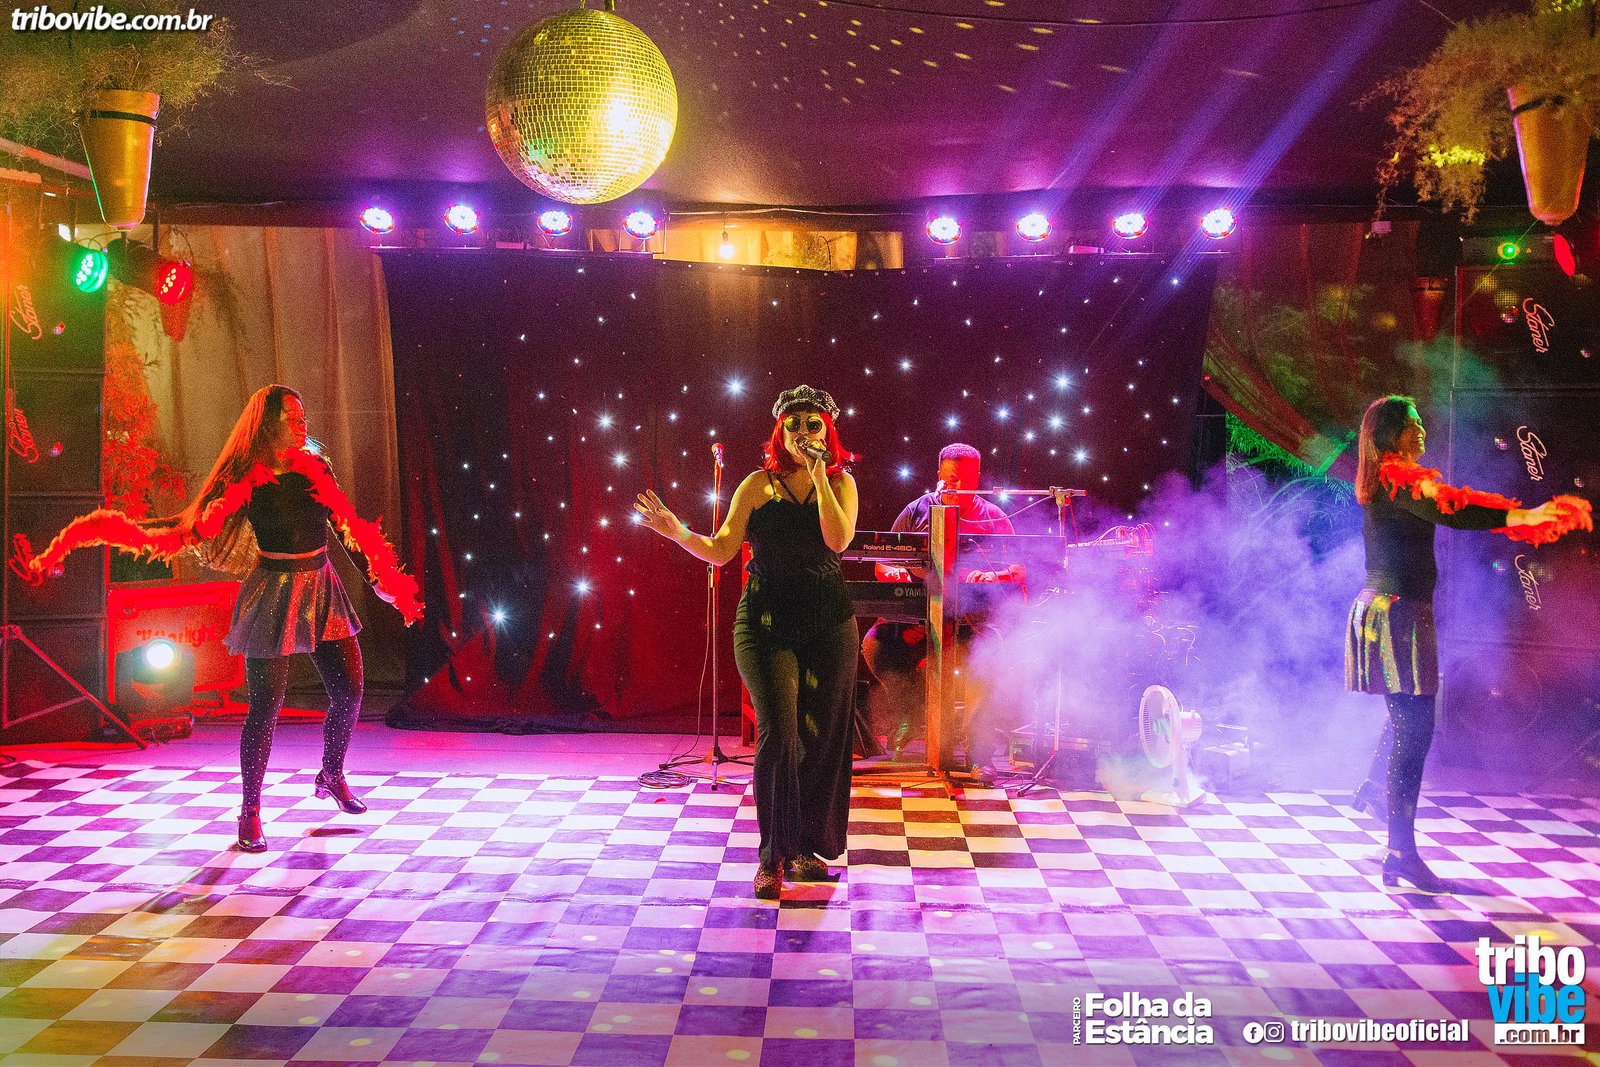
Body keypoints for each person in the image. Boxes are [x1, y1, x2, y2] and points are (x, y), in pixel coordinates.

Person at [15, 385, 423, 853]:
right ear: (268, 425)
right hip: (273, 593)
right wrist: (80, 537)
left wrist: (378, 579)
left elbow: (345, 527)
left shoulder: (317, 469)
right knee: (265, 707)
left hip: (322, 588)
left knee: (350, 689)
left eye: (303, 417)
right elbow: (182, 529)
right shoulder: (243, 479)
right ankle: (250, 811)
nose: (302, 425)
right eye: (292, 418)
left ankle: (331, 774)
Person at [1345, 396, 1589, 894]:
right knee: (1415, 726)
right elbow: (1452, 508)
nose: (1422, 430)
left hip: (1393, 609)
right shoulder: (1397, 478)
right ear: (1391, 434)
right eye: (1413, 424)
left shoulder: (1391, 478)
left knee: (1409, 719)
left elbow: (1451, 501)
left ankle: (1375, 794)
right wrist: (1525, 516)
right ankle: (1400, 852)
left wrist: (1521, 516)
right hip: (1396, 613)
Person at [635, 385, 859, 900]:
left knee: (821, 735)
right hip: (765, 622)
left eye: (813, 423)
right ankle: (772, 857)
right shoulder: (758, 484)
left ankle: (803, 849)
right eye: (793, 424)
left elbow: (838, 540)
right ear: (780, 431)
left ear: (827, 431)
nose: (802, 432)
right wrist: (678, 532)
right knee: (779, 733)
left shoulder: (840, 483)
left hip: (828, 622)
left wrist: (820, 476)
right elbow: (722, 549)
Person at [862, 443, 1018, 781]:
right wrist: (894, 572)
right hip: (920, 617)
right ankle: (914, 715)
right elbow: (882, 561)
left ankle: (978, 753)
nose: (955, 486)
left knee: (991, 660)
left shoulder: (994, 517)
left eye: (963, 480)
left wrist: (994, 575)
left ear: (977, 479)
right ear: (938, 475)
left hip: (974, 622)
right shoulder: (917, 510)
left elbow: (1018, 569)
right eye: (949, 478)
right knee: (876, 645)